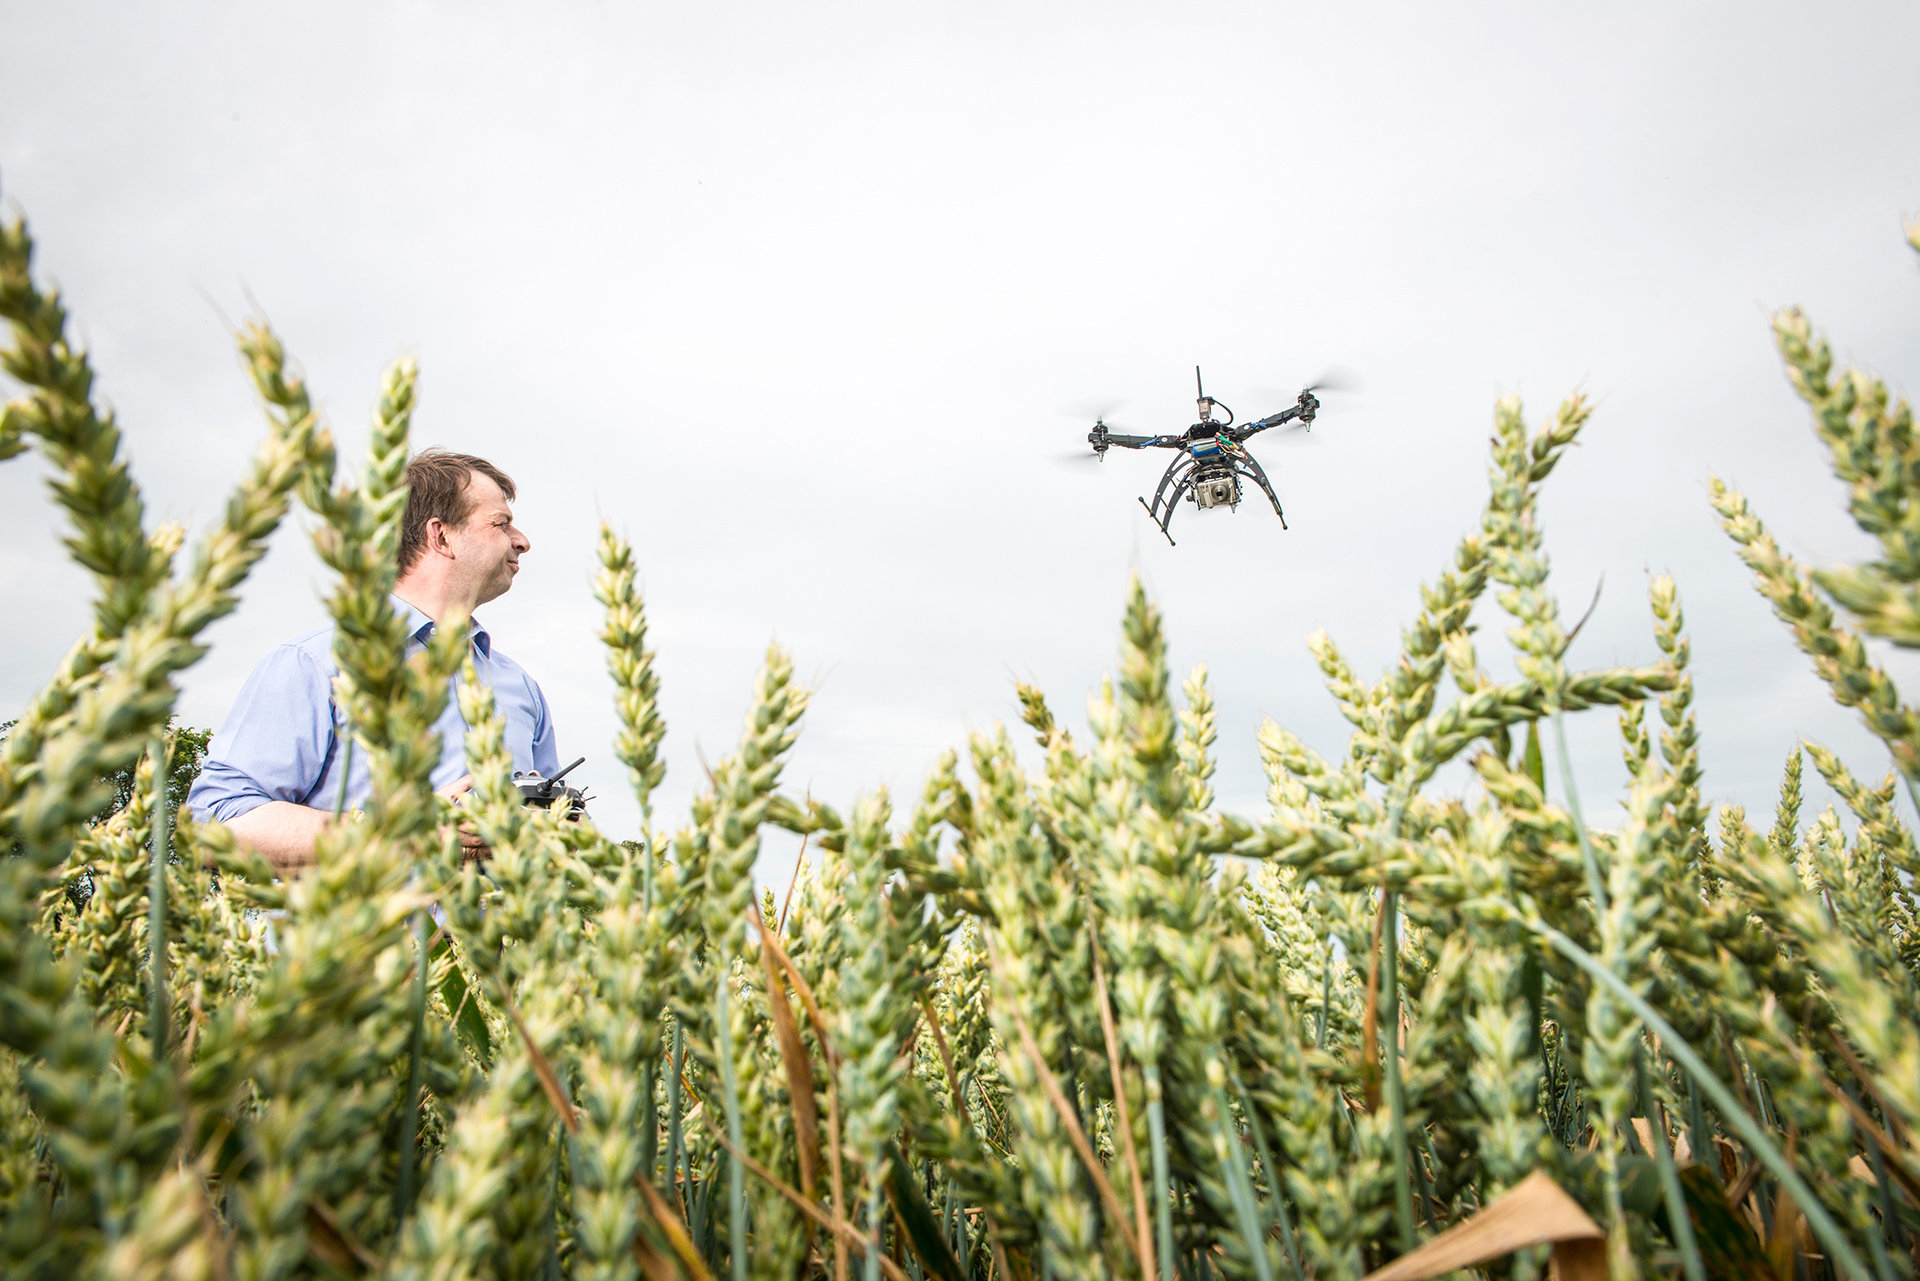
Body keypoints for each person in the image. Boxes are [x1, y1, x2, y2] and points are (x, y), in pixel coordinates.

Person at [187, 449, 559, 871]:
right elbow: (214, 826)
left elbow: (556, 826)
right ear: (441, 536)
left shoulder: (519, 686)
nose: (521, 541)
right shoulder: (314, 664)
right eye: (500, 523)